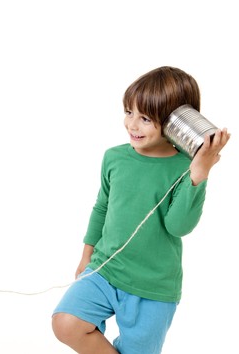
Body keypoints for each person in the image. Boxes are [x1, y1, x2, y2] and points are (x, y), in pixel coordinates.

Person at [51, 66, 230, 354]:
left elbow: (178, 226)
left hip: (154, 287)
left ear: (176, 122)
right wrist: (86, 256)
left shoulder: (185, 168)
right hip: (104, 269)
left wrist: (199, 172)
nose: (132, 124)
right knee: (66, 322)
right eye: (128, 112)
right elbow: (102, 207)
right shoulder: (115, 158)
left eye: (145, 118)